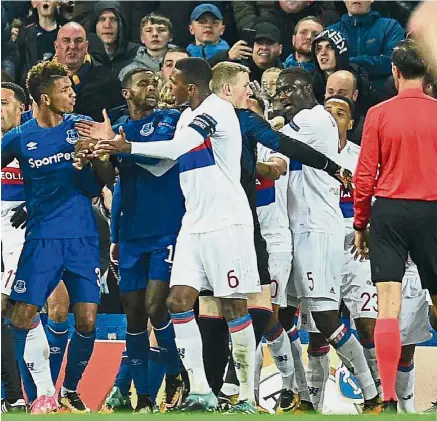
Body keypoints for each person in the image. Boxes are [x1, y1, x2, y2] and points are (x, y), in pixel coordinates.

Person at [94, 57, 261, 414]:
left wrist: (127, 147)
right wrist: (110, 149)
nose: (167, 88)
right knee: (177, 302)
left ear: (191, 87)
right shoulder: (187, 116)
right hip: (193, 226)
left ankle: (248, 395)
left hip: (225, 222)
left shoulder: (216, 110)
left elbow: (171, 149)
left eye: (173, 83)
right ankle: (200, 390)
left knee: (233, 305)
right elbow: (155, 165)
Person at [1, 61, 114, 414]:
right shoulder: (19, 137)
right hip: (41, 238)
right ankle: (30, 394)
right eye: (66, 90)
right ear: (46, 98)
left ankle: (68, 389)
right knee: (22, 316)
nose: (73, 95)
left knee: (88, 321)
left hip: (82, 237)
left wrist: (93, 160)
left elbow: (104, 181)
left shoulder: (82, 128)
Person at [76, 68, 184, 413]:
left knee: (156, 306)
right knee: (134, 316)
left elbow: (163, 160)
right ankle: (144, 398)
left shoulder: (171, 119)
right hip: (131, 232)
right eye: (143, 84)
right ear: (126, 93)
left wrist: (123, 147)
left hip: (167, 228)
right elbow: (112, 180)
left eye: (155, 82)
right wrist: (105, 156)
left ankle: (176, 373)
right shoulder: (120, 126)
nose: (152, 88)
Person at [276, 67, 380, 413]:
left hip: (319, 233)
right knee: (282, 317)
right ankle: (302, 396)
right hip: (293, 232)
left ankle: (371, 395)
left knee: (326, 320)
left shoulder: (315, 121)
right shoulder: (304, 124)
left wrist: (251, 119)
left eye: (286, 89)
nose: (282, 96)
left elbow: (271, 136)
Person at [324, 95, 432, 414]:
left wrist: (362, 226)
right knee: (319, 330)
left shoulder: (363, 155)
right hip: (323, 248)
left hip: (366, 245)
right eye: (327, 113)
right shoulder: (306, 156)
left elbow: (373, 189)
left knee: (383, 322)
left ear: (351, 122)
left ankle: (396, 401)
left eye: (340, 114)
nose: (333, 120)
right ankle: (318, 397)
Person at [353, 38, 437, 413]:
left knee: (388, 306)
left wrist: (360, 222)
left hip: (389, 211)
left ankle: (387, 397)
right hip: (432, 209)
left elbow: (365, 173)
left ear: (395, 72)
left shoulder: (379, 113)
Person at [1, 82, 27, 414]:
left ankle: (15, 394)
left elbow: (59, 184)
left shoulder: (31, 143)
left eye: (4, 102)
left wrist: (34, 204)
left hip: (23, 236)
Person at [53, 22, 124, 121]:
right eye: (66, 41)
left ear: (86, 47)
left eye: (78, 41)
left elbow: (120, 118)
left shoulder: (108, 80)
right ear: (56, 46)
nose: (73, 46)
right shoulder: (40, 79)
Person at [328, 0, 404, 89]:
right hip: (341, 91)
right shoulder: (331, 32)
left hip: (382, 93)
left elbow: (391, 63)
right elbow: (327, 65)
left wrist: (346, 61)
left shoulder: (390, 26)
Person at [311, 28, 379, 116]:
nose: (323, 53)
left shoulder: (360, 82)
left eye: (330, 47)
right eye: (318, 49)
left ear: (341, 52)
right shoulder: (312, 83)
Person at [17, 0, 66, 85]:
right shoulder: (24, 34)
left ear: (58, 3)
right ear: (33, 3)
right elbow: (20, 68)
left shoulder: (67, 31)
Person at [88, 2, 139, 76]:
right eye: (102, 19)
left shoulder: (137, 54)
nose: (107, 25)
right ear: (94, 24)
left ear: (121, 24)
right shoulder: (84, 55)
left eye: (114, 19)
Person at [119, 13, 174, 81]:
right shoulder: (129, 71)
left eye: (161, 30)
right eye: (149, 30)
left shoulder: (182, 65)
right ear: (142, 38)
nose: (155, 34)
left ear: (170, 36)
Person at [325, 70, 364, 145]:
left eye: (342, 93)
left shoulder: (363, 129)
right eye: (330, 92)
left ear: (355, 95)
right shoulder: (313, 122)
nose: (335, 97)